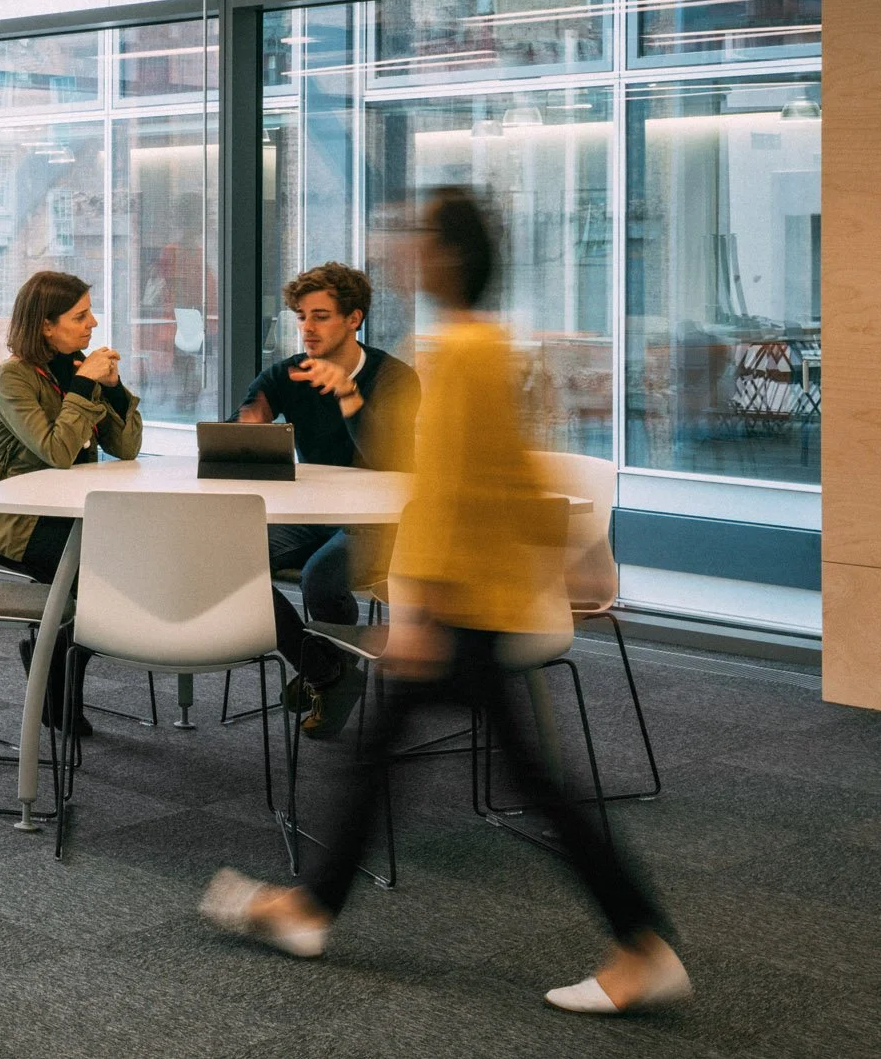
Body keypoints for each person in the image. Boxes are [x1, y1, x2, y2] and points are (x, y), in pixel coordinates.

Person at [202, 188, 689, 1018]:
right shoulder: (488, 347)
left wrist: (415, 606)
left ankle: (640, 945)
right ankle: (313, 907)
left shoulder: (454, 355)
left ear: (447, 256)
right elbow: (517, 472)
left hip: (464, 602)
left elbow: (441, 491)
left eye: (415, 236)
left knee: (525, 779)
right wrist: (564, 564)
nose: (402, 248)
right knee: (446, 763)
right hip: (483, 595)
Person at [0, 270, 142, 731]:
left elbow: (128, 447)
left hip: (63, 515)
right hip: (3, 523)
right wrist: (82, 391)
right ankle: (57, 686)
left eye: (90, 312)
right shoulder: (13, 377)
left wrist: (111, 388)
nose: (92, 324)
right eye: (80, 316)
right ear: (46, 327)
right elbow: (56, 451)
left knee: (127, 568)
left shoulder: (78, 367)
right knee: (93, 580)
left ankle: (48, 660)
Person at [237, 261, 422, 734]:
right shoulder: (290, 374)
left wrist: (348, 396)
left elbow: (390, 458)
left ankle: (328, 678)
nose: (306, 328)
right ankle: (329, 674)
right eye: (301, 316)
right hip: (314, 514)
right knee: (236, 562)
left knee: (321, 577)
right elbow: (244, 424)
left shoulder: (395, 378)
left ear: (353, 319)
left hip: (382, 521)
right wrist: (249, 428)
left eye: (320, 316)